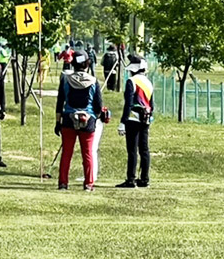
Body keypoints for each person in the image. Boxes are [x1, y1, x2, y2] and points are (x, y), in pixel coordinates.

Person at [55, 50, 104, 191]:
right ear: (87, 64)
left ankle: (63, 183)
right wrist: (95, 116)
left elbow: (60, 103)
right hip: (87, 120)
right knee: (87, 153)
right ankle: (89, 184)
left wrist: (58, 122)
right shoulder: (94, 82)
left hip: (68, 120)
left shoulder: (65, 80)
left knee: (66, 153)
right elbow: (98, 106)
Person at [116, 55, 154, 188]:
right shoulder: (148, 83)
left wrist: (122, 122)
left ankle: (131, 179)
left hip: (132, 119)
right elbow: (152, 104)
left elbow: (128, 104)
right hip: (146, 119)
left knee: (132, 150)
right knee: (144, 149)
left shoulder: (131, 81)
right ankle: (144, 179)